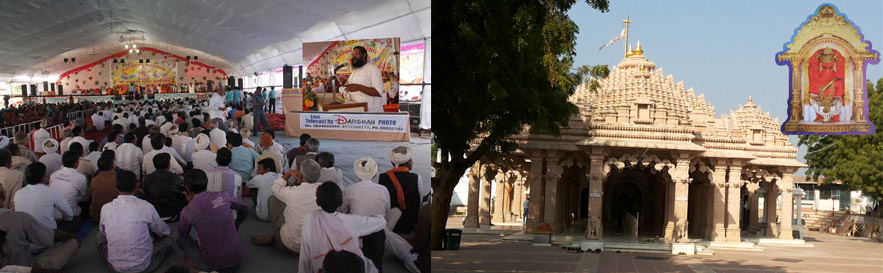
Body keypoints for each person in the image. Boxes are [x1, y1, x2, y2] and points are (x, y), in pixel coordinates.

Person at [98, 170, 174, 273]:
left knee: (98, 237)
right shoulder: (146, 206)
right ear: (137, 185)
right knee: (169, 240)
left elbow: (103, 232)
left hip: (115, 268)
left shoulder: (106, 208)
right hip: (144, 266)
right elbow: (163, 231)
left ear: (116, 186)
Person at [299, 182, 384, 273]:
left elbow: (305, 255)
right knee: (378, 234)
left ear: (317, 202)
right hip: (349, 267)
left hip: (321, 267)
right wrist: (377, 216)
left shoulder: (309, 219)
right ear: (340, 201)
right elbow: (381, 223)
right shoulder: (350, 221)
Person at [178, 169, 248, 272]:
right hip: (237, 261)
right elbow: (244, 207)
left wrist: (190, 203)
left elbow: (182, 233)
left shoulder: (188, 210)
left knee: (180, 240)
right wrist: (237, 223)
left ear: (187, 189)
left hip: (213, 265)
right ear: (206, 182)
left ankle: (200, 265)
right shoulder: (222, 195)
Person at [252, 159, 323, 253]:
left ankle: (279, 240)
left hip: (292, 244)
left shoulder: (292, 192)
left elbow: (274, 189)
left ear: (300, 175)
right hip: (317, 246)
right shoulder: (325, 190)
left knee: (273, 199)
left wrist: (288, 173)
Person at [0, 189, 80, 271]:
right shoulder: (18, 218)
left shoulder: (18, 195)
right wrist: (73, 236)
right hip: (29, 267)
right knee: (73, 241)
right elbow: (48, 238)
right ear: (2, 197)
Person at [14, 163, 75, 232]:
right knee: (76, 220)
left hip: (24, 233)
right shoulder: (52, 192)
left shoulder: (18, 193)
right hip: (46, 235)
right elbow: (69, 215)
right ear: (43, 177)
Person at [379, 146, 422, 236]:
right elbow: (419, 202)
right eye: (411, 160)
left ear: (392, 162)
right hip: (409, 227)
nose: (412, 162)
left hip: (388, 227)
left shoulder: (382, 177)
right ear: (409, 162)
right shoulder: (416, 178)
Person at [47, 151, 88, 233]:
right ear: (76, 163)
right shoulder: (80, 177)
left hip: (52, 214)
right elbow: (85, 198)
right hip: (71, 216)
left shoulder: (54, 174)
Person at [141, 153, 188, 221]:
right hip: (171, 213)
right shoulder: (175, 178)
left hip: (154, 212)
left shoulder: (147, 179)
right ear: (168, 165)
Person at [341, 46, 386, 112]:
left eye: (356, 53)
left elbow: (379, 92)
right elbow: (349, 85)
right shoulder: (355, 71)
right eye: (352, 54)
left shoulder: (373, 69)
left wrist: (358, 87)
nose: (353, 56)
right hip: (357, 109)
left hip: (371, 111)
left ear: (364, 55)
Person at [89, 156, 118, 223]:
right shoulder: (118, 179)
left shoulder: (94, 180)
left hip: (96, 216)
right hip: (113, 217)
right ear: (113, 166)